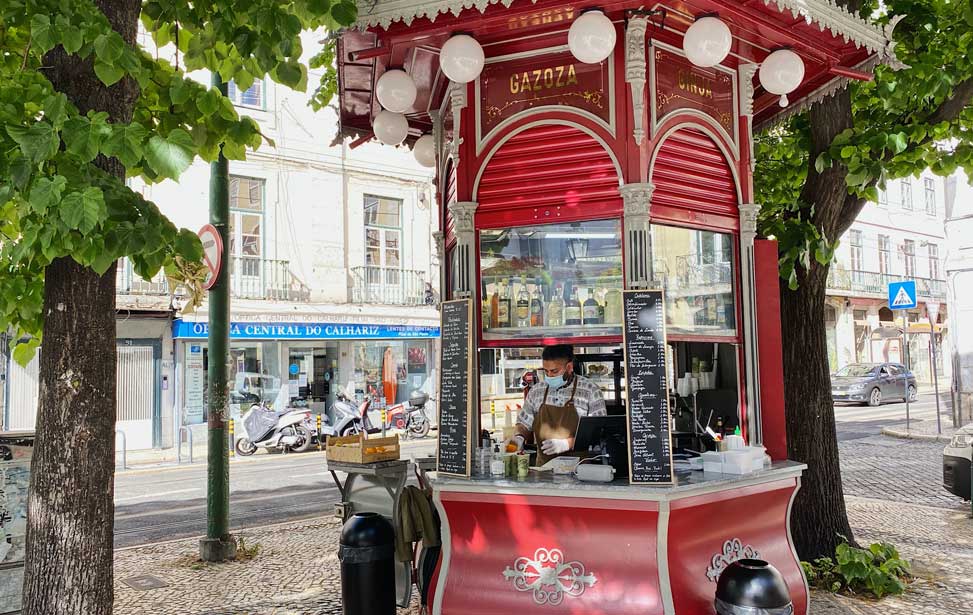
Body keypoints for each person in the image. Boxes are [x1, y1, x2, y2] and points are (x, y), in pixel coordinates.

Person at [506, 344, 607, 465]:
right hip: (544, 470)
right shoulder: (537, 391)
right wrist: (519, 437)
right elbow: (523, 424)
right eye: (546, 371)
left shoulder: (590, 391)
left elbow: (598, 433)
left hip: (580, 469)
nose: (549, 376)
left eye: (554, 371)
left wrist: (567, 444)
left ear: (569, 367)